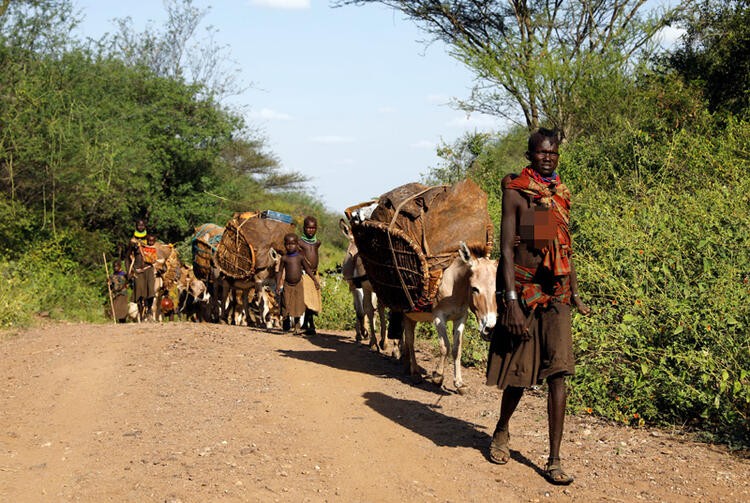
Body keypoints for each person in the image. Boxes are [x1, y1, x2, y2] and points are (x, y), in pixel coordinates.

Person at [486, 128, 591, 486]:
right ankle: (501, 430)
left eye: (553, 153)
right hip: (525, 289)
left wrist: (574, 290)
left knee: (558, 373)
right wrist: (511, 303)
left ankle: (554, 459)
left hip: (556, 290)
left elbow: (563, 247)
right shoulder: (516, 192)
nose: (548, 157)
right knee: (520, 372)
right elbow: (507, 251)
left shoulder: (559, 194)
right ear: (530, 154)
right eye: (542, 152)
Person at [277, 233, 319, 335]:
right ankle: (285, 321)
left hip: (298, 284)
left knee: (298, 305)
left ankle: (297, 326)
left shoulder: (300, 257)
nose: (290, 246)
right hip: (287, 284)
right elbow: (280, 271)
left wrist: (315, 280)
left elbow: (308, 269)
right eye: (287, 244)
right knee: (285, 303)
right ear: (284, 245)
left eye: (293, 244)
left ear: (297, 245)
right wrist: (278, 284)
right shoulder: (284, 258)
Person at [297, 215, 322, 335]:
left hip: (315, 274)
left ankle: (308, 324)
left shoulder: (317, 242)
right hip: (304, 274)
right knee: (307, 300)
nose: (311, 230)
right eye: (308, 228)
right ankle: (306, 324)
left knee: (313, 300)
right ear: (304, 228)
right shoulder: (299, 242)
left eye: (313, 228)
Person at [131, 233, 159, 320]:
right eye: (149, 241)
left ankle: (149, 310)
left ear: (154, 241)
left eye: (152, 241)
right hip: (139, 271)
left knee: (150, 291)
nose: (150, 243)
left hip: (149, 270)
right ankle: (140, 312)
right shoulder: (140, 247)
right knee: (139, 292)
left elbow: (155, 261)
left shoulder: (155, 249)